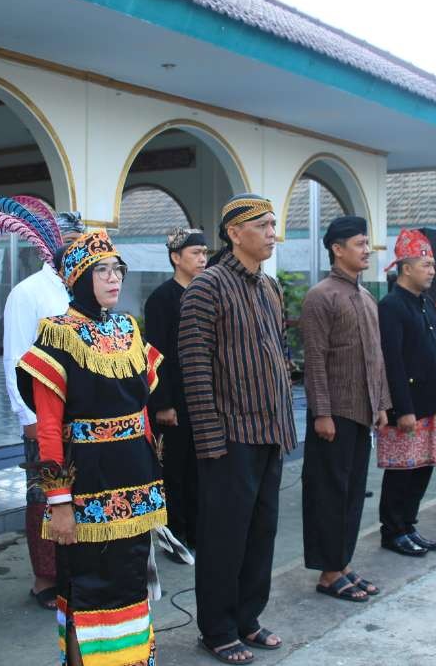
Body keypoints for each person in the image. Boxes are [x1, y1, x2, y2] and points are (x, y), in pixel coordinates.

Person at [16, 230, 168, 666]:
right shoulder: (57, 335)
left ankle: (135, 659)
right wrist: (58, 502)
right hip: (85, 485)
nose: (113, 278)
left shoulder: (128, 329)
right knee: (86, 584)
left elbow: (143, 410)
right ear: (79, 278)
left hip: (136, 481)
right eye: (101, 270)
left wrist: (154, 470)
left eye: (117, 269)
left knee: (131, 578)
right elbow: (48, 428)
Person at [178, 194, 296, 663]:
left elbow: (277, 351)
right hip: (229, 438)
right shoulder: (206, 287)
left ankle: (249, 618)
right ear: (234, 233)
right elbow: (195, 368)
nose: (272, 233)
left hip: (270, 431)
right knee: (224, 537)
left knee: (262, 532)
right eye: (263, 225)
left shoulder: (269, 288)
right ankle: (218, 628)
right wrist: (210, 438)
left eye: (273, 225)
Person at [301, 216, 390, 601]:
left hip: (362, 411)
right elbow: (315, 360)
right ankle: (328, 572)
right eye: (359, 243)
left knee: (353, 492)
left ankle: (344, 563)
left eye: (366, 243)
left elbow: (376, 357)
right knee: (329, 493)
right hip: (333, 415)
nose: (366, 249)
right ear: (337, 249)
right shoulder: (321, 296)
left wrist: (382, 404)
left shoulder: (367, 297)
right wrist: (321, 412)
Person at [2, 209, 85, 610]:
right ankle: (44, 577)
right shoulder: (29, 292)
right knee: (44, 494)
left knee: (79, 492)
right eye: (67, 243)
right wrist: (28, 417)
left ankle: (74, 569)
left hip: (82, 415)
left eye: (77, 244)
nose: (72, 251)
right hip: (43, 415)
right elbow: (15, 357)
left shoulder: (84, 289)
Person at [377, 228, 436, 555]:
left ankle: (408, 525)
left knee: (422, 467)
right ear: (406, 268)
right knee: (402, 471)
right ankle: (392, 530)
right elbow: (392, 362)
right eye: (426, 265)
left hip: (431, 402)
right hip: (408, 407)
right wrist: (403, 408)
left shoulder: (425, 302)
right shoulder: (392, 306)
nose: (432, 271)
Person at [143, 227, 209, 563]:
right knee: (175, 469)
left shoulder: (207, 293)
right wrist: (164, 403)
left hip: (204, 398)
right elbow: (155, 355)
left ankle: (198, 531)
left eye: (204, 253)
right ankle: (175, 534)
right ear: (175, 258)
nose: (202, 259)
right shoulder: (161, 299)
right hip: (175, 400)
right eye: (195, 253)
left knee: (201, 467)